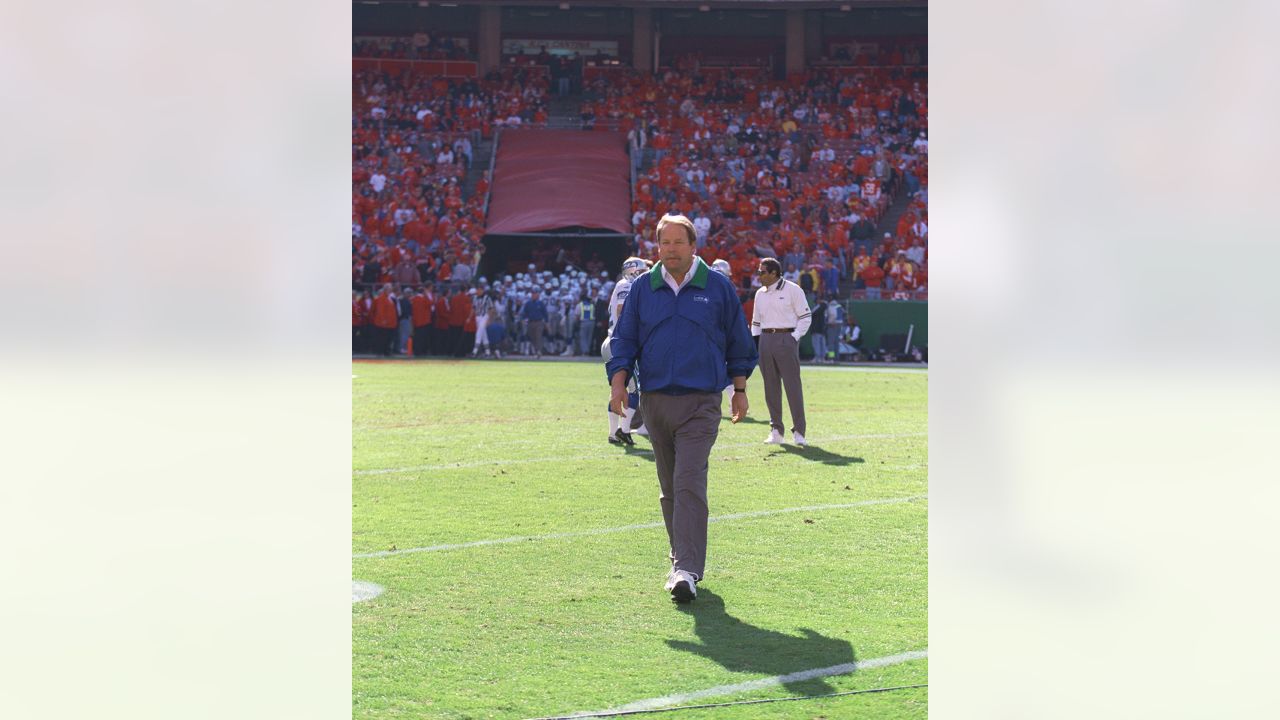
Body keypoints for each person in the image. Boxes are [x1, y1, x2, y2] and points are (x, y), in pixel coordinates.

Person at [607, 214, 757, 604]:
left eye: (678, 242)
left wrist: (739, 388)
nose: (670, 250)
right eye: (664, 243)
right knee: (670, 487)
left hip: (701, 403)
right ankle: (681, 562)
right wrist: (619, 381)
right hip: (655, 401)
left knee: (689, 482)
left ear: (694, 246)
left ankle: (685, 569)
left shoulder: (718, 287)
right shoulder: (643, 288)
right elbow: (625, 339)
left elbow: (739, 341)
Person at [751, 257, 812, 446]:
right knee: (770, 387)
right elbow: (755, 321)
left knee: (792, 386)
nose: (759, 275)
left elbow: (805, 316)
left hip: (786, 337)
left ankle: (799, 431)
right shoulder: (759, 294)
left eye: (762, 272)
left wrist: (794, 337)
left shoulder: (793, 290)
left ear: (774, 273)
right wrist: (757, 342)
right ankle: (776, 429)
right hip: (765, 340)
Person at [601, 256, 651, 445]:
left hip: (615, 341)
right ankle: (623, 430)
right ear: (633, 272)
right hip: (619, 343)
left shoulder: (624, 285)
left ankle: (614, 433)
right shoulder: (625, 285)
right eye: (642, 272)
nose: (645, 275)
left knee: (619, 388)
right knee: (634, 390)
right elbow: (622, 310)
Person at [520, 288, 548, 358]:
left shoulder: (541, 303)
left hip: (539, 322)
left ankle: (538, 351)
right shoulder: (528, 304)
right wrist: (523, 319)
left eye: (535, 294)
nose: (534, 295)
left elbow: (545, 313)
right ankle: (536, 350)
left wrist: (546, 322)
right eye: (533, 294)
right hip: (530, 322)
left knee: (538, 336)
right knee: (532, 337)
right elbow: (525, 313)